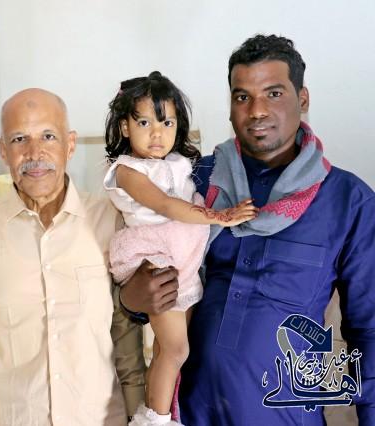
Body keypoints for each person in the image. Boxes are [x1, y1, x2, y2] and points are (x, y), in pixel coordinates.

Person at [173, 34, 375, 425]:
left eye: (274, 93)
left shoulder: (349, 202)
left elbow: (369, 331)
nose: (257, 111)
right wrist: (134, 299)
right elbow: (153, 283)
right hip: (190, 412)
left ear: (303, 99)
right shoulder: (196, 181)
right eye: (242, 96)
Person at [0, 88, 179, 425]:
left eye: (48, 136)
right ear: (3, 150)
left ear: (70, 144)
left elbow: (126, 340)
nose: (34, 153)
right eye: (19, 139)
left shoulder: (110, 220)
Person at [103, 71, 257, 426]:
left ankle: (163, 411)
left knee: (167, 350)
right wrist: (221, 216)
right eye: (144, 122)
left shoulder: (179, 163)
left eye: (167, 123)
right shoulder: (126, 170)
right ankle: (155, 421)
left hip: (184, 258)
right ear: (125, 127)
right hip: (155, 258)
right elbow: (165, 205)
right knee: (176, 349)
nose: (157, 134)